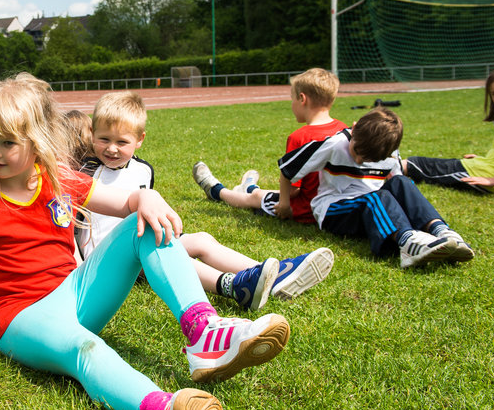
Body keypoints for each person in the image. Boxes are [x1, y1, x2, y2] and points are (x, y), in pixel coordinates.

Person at [0, 73, 291, 410]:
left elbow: (124, 202)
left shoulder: (58, 179)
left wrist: (145, 197)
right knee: (87, 350)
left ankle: (205, 333)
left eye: (8, 142)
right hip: (22, 317)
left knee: (144, 223)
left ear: (36, 144)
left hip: (75, 292)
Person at [75, 90, 334, 310]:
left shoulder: (143, 170)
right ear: (92, 134)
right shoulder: (84, 173)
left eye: (122, 141)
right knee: (172, 255)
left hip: (141, 245)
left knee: (201, 239)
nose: (111, 148)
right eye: (103, 139)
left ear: (140, 140)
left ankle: (273, 275)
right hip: (107, 261)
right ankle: (233, 286)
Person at [280, 107, 474, 269]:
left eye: (369, 160)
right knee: (377, 197)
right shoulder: (335, 144)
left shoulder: (388, 153)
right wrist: (284, 204)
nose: (358, 161)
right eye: (356, 152)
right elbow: (288, 168)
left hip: (372, 208)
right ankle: (407, 243)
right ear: (354, 129)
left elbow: (397, 185)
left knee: (402, 182)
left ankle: (442, 232)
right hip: (333, 210)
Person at [193, 68, 347, 225]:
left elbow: (293, 190)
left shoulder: (300, 137)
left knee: (256, 198)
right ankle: (249, 187)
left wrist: (284, 205)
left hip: (307, 209)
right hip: (335, 204)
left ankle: (217, 191)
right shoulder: (343, 129)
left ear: (302, 99)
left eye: (292, 98)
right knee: (265, 194)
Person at [404, 65, 494, 193]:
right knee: (429, 164)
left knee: (414, 164)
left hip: (487, 175)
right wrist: (486, 159)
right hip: (486, 168)